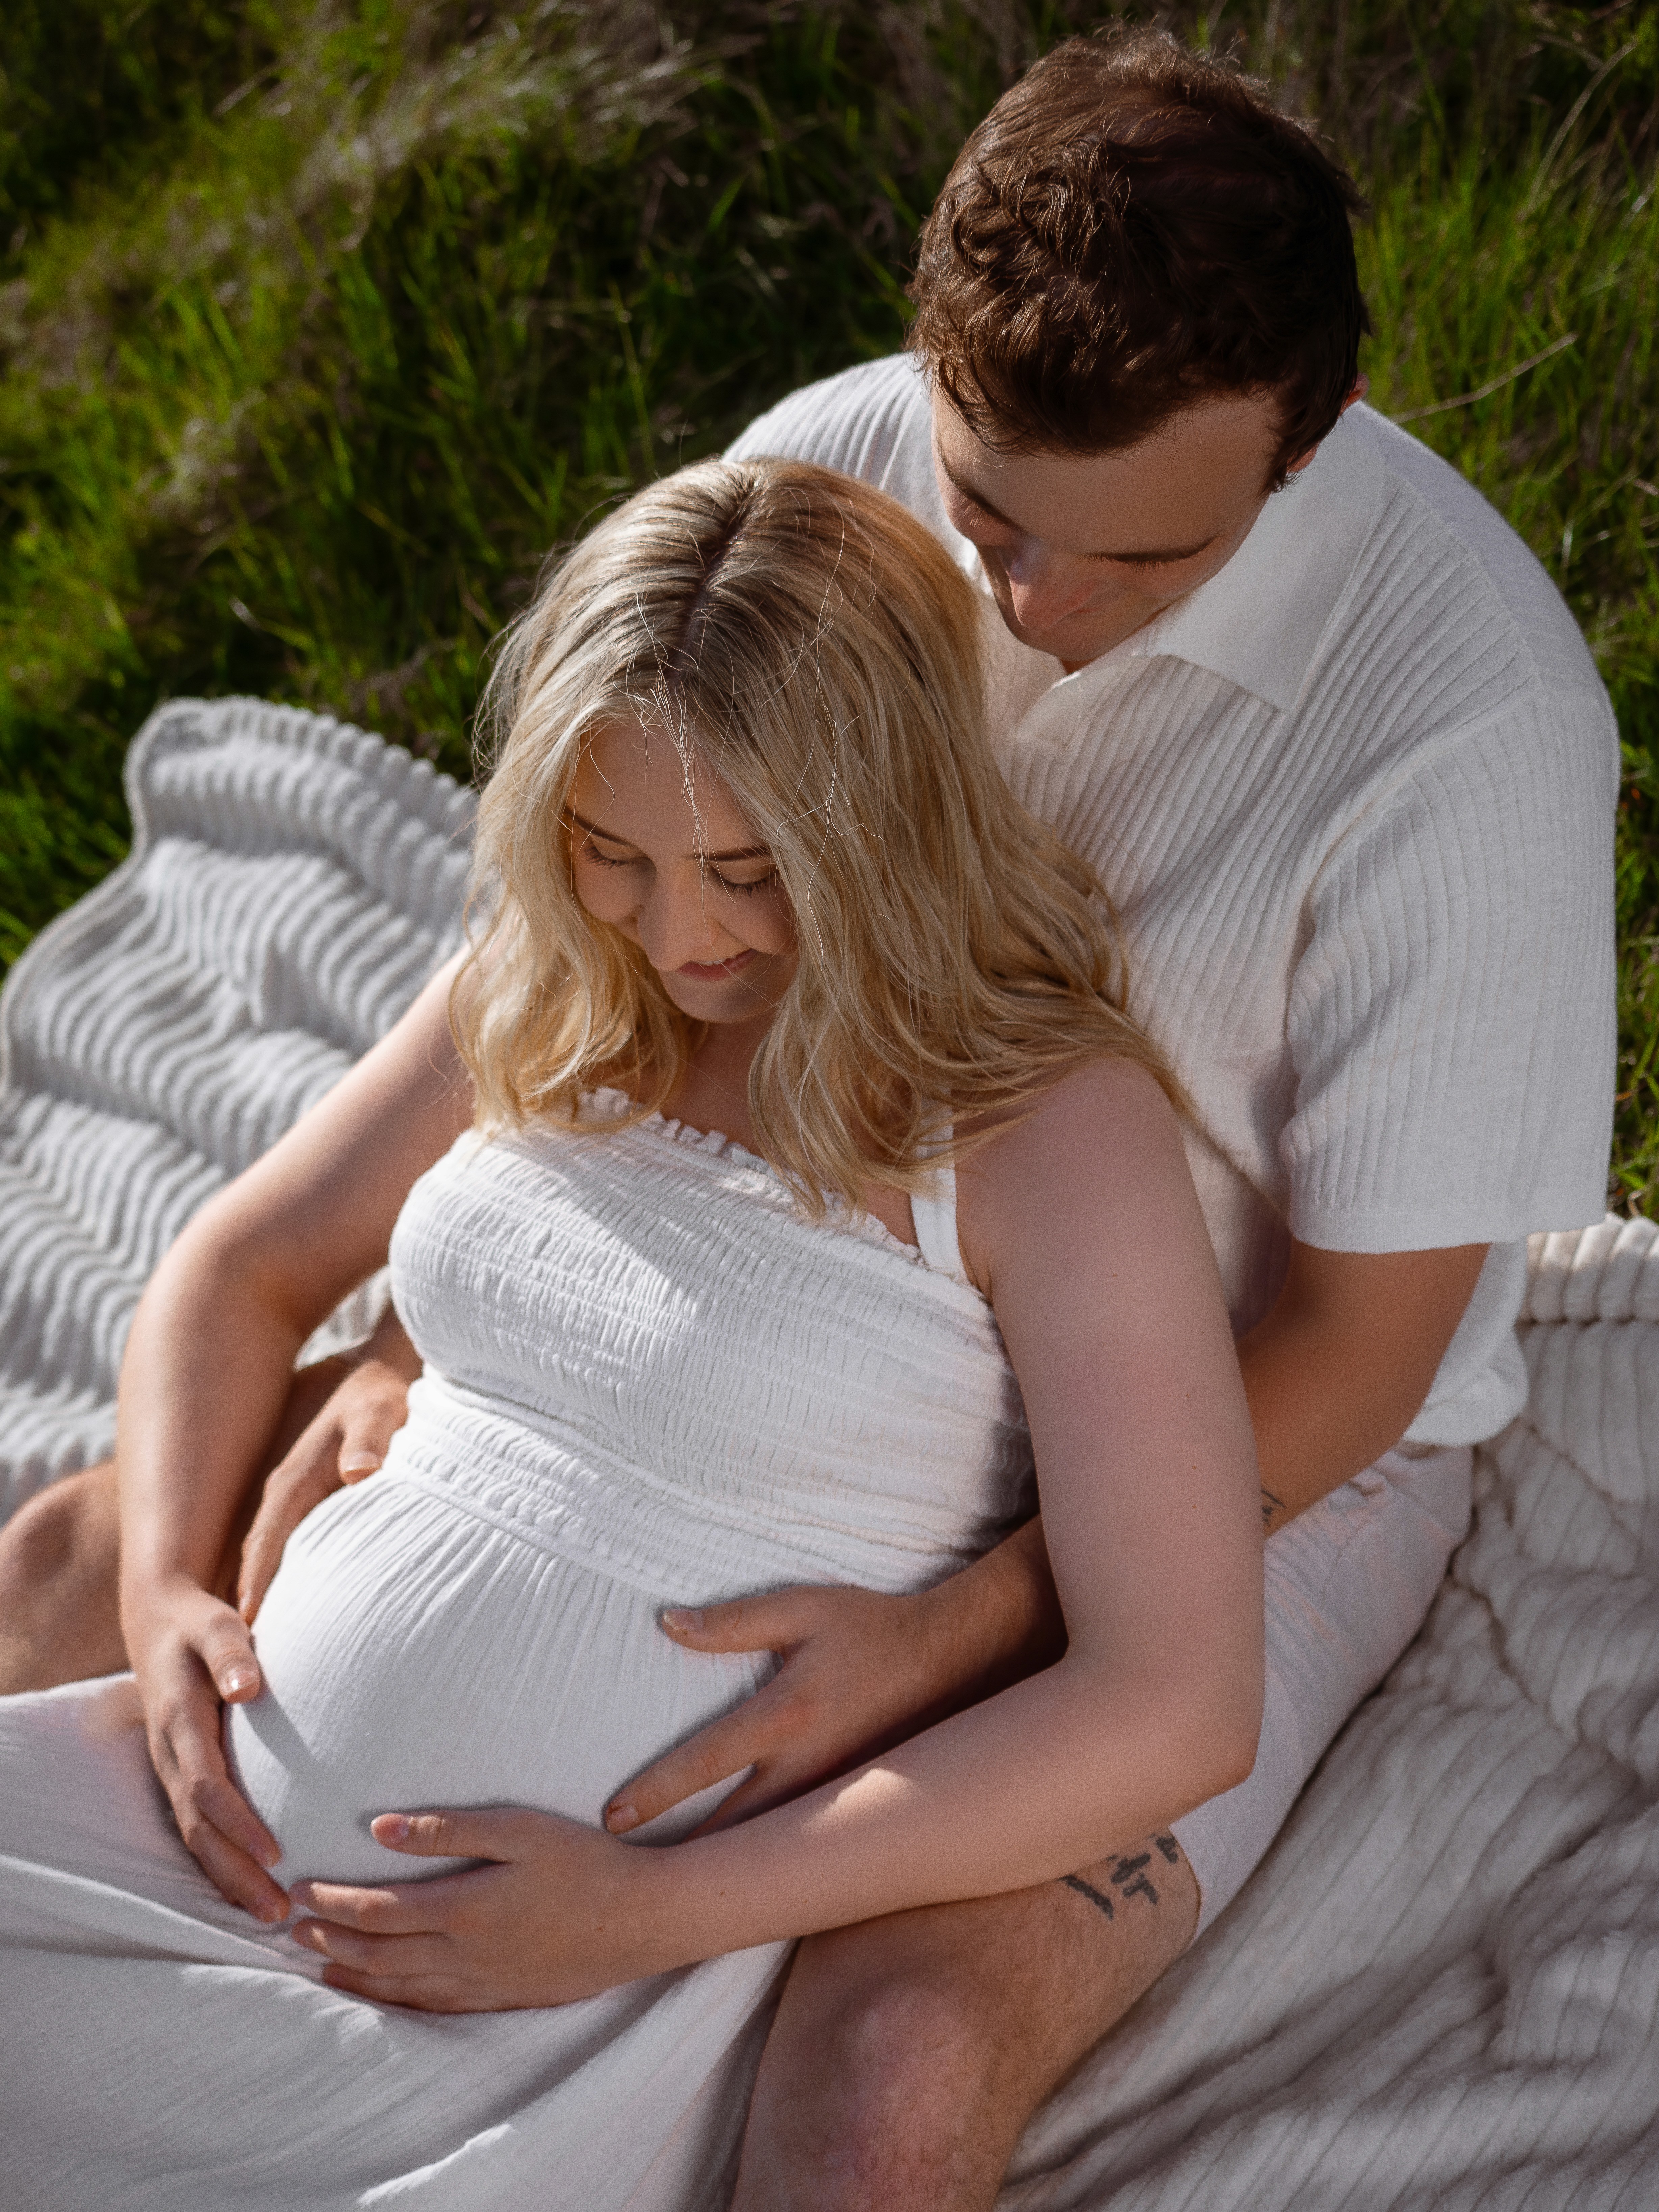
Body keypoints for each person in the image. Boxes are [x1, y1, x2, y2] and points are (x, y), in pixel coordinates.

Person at [0, 24, 1616, 2211]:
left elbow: (1359, 1350)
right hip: (755, 1233)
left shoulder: (1469, 728)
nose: (1026, 618)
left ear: (1308, 436)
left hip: (1246, 1415)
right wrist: (441, 1330)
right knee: (84, 1554)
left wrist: (957, 1631)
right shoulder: (838, 479)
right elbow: (584, 966)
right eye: (984, 521)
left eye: (1127, 565)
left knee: (893, 2062)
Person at [0, 456, 1264, 2209]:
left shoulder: (1040, 1126)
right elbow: (240, 1261)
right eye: (615, 854)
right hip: (186, 1842)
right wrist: (162, 1602)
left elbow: (1180, 1696)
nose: (682, 935)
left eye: (751, 869)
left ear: (886, 818)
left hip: (562, 1997)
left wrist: (655, 1911)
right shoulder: (547, 981)